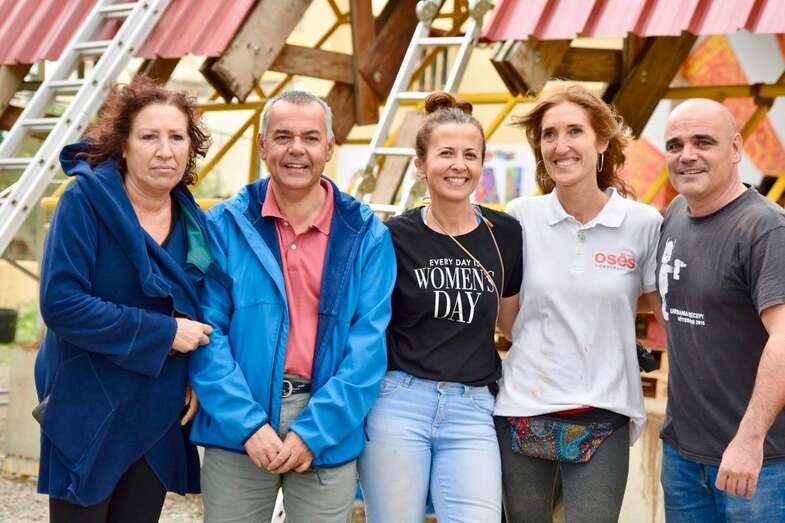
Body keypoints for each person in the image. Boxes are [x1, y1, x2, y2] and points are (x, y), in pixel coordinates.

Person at [189, 90, 396, 523]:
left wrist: (314, 432)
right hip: (239, 425)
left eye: (310, 138)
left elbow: (368, 349)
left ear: (329, 147)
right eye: (283, 137)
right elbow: (207, 332)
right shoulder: (224, 225)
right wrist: (248, 425)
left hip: (327, 425)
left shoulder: (366, 235)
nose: (296, 149)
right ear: (262, 145)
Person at [35, 76, 218, 522]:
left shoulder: (192, 220)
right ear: (123, 145)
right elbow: (61, 303)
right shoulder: (84, 203)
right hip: (88, 404)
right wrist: (165, 333)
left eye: (177, 137)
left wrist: (196, 373)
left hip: (156, 408)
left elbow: (203, 308)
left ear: (190, 148)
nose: (165, 151)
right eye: (149, 136)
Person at [493, 84, 663, 523]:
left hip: (604, 413)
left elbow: (656, 308)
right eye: (549, 135)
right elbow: (509, 321)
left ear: (602, 141)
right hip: (524, 409)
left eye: (574, 131)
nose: (560, 145)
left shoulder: (642, 223)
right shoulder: (521, 216)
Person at [358, 92, 523, 522]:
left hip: (472, 408)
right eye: (446, 153)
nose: (459, 165)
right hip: (399, 403)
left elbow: (512, 324)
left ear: (482, 163)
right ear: (421, 163)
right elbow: (368, 325)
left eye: (470, 155)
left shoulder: (504, 234)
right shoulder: (393, 237)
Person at [657, 98, 785, 522]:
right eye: (675, 145)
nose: (687, 155)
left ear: (735, 148)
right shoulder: (677, 213)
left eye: (703, 142)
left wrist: (749, 441)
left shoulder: (766, 229)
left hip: (758, 464)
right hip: (683, 456)